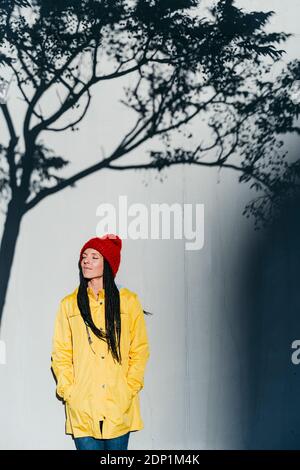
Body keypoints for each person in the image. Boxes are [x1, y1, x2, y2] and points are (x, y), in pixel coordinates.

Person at [51, 234, 150, 450]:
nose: (86, 261)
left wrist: (128, 388)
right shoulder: (69, 304)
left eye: (94, 257)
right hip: (83, 409)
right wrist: (70, 392)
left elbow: (139, 350)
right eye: (84, 256)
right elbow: (61, 353)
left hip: (118, 408)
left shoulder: (128, 302)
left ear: (108, 263)